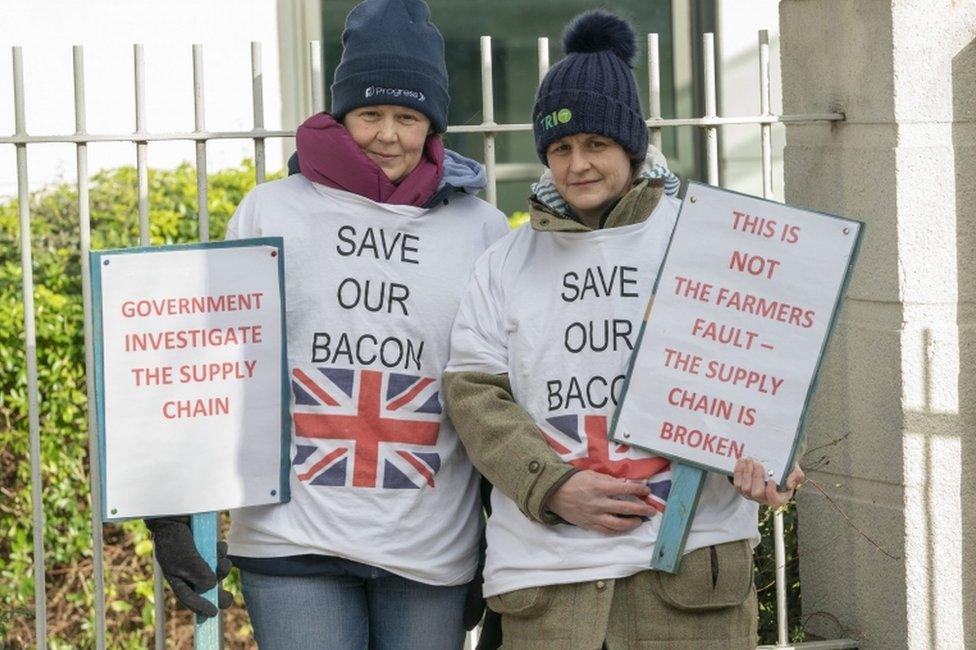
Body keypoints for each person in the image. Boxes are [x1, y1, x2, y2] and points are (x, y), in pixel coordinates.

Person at [146, 1, 509, 647]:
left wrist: (505, 537)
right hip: (289, 537)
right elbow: (211, 357)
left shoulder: (478, 226)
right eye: (370, 114)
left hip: (429, 546)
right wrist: (172, 507)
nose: (388, 135)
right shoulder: (271, 210)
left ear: (432, 123)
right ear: (341, 116)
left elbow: (497, 380)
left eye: (407, 116)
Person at [444, 10, 803, 649]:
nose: (577, 164)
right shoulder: (503, 261)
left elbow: (759, 365)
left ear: (631, 146)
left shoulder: (707, 239)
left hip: (689, 574)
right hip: (547, 583)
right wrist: (552, 484)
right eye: (560, 148)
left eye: (596, 145)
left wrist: (773, 452)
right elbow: (474, 397)